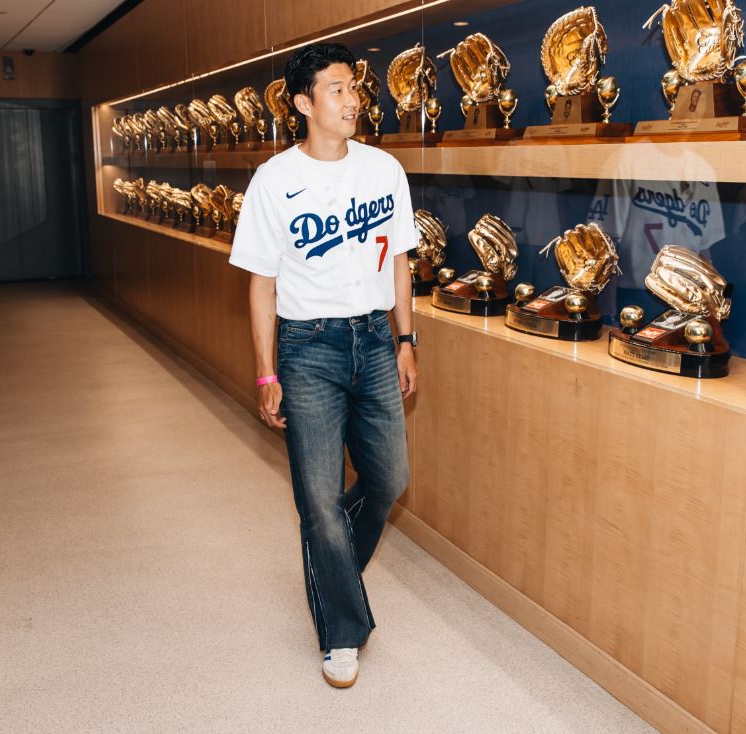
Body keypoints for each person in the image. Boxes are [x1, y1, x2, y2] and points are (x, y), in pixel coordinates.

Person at [228, 42, 418, 689]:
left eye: (353, 87)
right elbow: (261, 284)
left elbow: (400, 261)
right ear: (304, 104)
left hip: (373, 337)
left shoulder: (385, 170)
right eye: (336, 89)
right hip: (307, 348)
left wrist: (407, 339)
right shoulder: (273, 180)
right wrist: (266, 373)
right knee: (318, 497)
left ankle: (331, 571)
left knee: (389, 478)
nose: (352, 99)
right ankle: (341, 630)